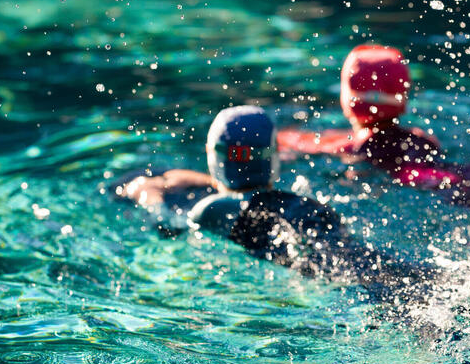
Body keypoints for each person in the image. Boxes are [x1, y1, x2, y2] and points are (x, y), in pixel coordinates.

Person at [114, 105, 431, 298]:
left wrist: (143, 191)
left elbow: (166, 223)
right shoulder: (299, 201)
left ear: (212, 159)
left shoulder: (209, 211)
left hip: (332, 279)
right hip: (343, 253)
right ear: (274, 158)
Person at [278, 44, 470, 215]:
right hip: (439, 172)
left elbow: (307, 144)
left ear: (348, 101)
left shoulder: (348, 148)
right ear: (403, 98)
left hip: (412, 180)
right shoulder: (421, 138)